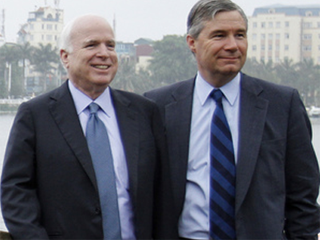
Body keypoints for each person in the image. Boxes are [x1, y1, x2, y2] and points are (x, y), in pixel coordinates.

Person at [144, 0, 320, 239]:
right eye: (219, 35)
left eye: (240, 35)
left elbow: (304, 195)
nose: (232, 45)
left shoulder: (282, 104)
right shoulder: (158, 106)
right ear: (192, 43)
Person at [1, 14, 176, 240]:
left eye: (110, 45)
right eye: (91, 45)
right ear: (65, 57)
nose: (104, 53)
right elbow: (15, 192)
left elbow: (162, 194)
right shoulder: (35, 115)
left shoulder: (144, 112)